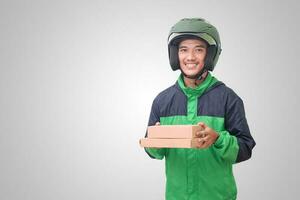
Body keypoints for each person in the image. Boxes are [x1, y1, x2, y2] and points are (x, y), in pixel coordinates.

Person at [144, 18, 256, 200]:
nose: (190, 57)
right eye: (183, 50)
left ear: (210, 55)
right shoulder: (162, 101)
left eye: (198, 49)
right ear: (175, 54)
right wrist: (155, 143)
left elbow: (245, 148)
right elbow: (152, 151)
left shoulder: (228, 98)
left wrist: (218, 139)